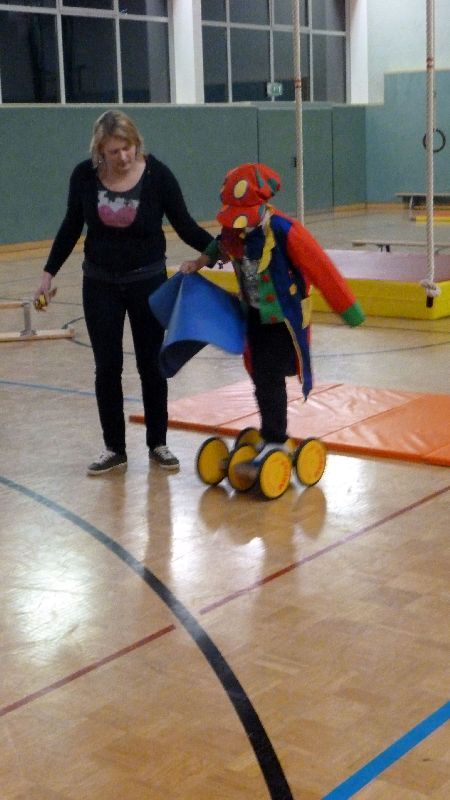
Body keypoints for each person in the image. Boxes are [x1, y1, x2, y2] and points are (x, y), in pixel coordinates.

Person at [34, 109, 214, 475]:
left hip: (148, 282)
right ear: (100, 150)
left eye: (128, 147)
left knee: (151, 364)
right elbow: (71, 226)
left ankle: (158, 443)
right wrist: (48, 273)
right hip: (100, 284)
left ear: (136, 143)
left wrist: (219, 249)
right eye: (114, 151)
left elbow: (184, 225)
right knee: (107, 367)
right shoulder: (84, 176)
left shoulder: (158, 175)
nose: (123, 157)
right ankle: (114, 448)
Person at [180, 162, 365, 460]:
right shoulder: (234, 231)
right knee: (260, 375)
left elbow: (321, 267)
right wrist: (199, 262)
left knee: (269, 375)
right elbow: (220, 245)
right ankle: (270, 432)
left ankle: (276, 438)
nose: (237, 224)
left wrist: (348, 308)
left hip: (283, 319)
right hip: (253, 314)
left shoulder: (283, 229)